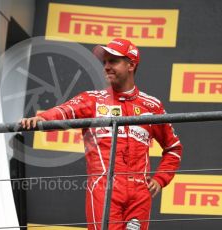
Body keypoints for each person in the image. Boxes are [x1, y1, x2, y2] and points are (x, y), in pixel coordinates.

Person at [20, 38, 182, 230]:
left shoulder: (152, 106)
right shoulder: (93, 99)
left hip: (140, 192)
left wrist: (160, 178)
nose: (106, 67)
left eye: (113, 61)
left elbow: (173, 148)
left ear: (131, 65)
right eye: (104, 62)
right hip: (103, 187)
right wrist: (43, 119)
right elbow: (64, 111)